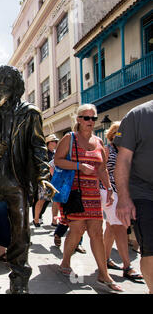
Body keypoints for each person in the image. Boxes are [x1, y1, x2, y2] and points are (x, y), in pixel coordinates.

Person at [0, 65, 56, 294]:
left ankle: (19, 275)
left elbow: (38, 147)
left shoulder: (30, 113)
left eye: (8, 80)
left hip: (16, 178)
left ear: (16, 86)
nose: (2, 83)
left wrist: (43, 177)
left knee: (20, 229)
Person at [55, 104, 123, 292]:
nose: (90, 122)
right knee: (77, 231)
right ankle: (65, 262)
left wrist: (108, 188)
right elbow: (58, 161)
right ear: (78, 119)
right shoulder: (70, 138)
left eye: (93, 118)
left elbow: (102, 168)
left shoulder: (98, 142)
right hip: (75, 193)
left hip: (93, 194)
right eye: (86, 118)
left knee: (96, 232)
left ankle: (103, 274)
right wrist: (79, 166)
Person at [114, 100, 153, 294]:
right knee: (151, 251)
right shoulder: (137, 115)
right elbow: (123, 160)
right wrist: (123, 198)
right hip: (145, 193)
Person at [101, 121, 143, 282]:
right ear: (114, 135)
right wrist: (109, 190)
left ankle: (104, 260)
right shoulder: (108, 149)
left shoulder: (129, 151)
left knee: (112, 227)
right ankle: (127, 266)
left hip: (124, 192)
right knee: (119, 226)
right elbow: (101, 170)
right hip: (109, 191)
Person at [33, 134, 59, 227]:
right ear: (48, 143)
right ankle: (36, 219)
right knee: (42, 200)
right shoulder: (44, 153)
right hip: (46, 180)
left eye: (56, 141)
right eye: (53, 141)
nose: (55, 143)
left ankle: (54, 221)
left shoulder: (56, 153)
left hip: (55, 180)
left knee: (56, 201)